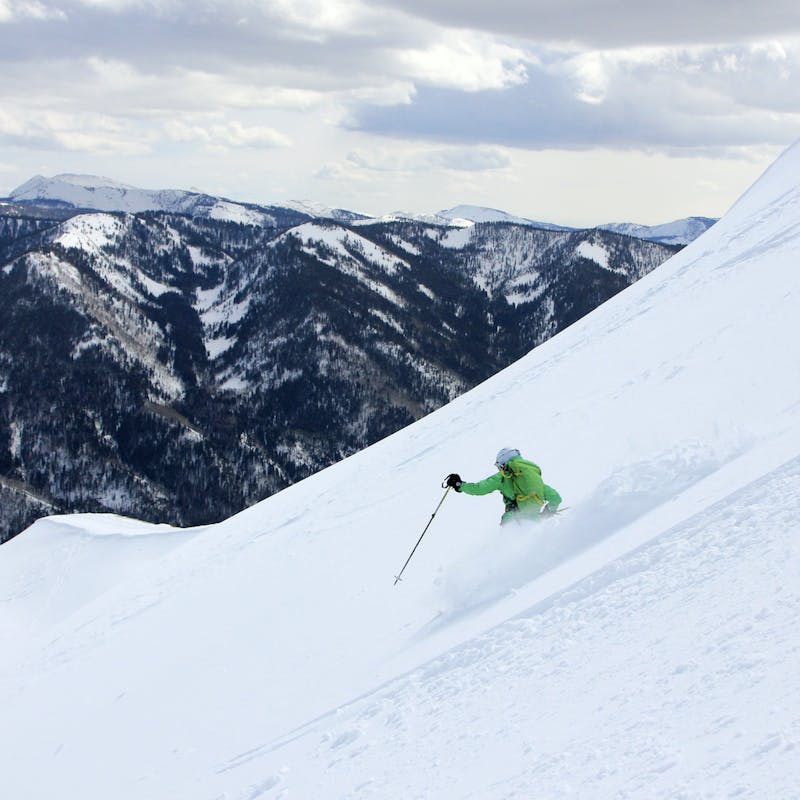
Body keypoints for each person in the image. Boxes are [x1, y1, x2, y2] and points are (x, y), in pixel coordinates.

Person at [445, 447, 562, 524]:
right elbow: (556, 497)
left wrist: (459, 485)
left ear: (503, 463)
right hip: (536, 521)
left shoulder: (503, 477)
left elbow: (479, 489)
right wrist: (547, 513)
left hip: (514, 521)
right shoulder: (533, 480)